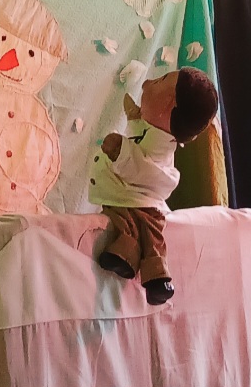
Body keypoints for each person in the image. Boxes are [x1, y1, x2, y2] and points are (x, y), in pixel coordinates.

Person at [89, 66, 218, 305]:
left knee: (149, 234)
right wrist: (134, 118)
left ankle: (158, 279)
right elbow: (140, 137)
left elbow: (142, 168)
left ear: (169, 104)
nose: (148, 82)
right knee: (127, 223)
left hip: (142, 200)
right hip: (131, 199)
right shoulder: (155, 136)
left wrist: (120, 151)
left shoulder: (160, 148)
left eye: (159, 81)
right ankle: (125, 255)